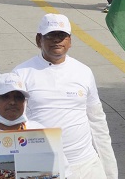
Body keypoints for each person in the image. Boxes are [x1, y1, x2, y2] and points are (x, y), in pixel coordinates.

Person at [13, 14, 118, 178]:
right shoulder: (21, 74)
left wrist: (109, 170)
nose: (57, 40)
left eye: (62, 35)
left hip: (86, 165)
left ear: (70, 41)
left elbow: (97, 121)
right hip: (43, 167)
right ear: (38, 39)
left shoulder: (84, 72)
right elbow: (13, 123)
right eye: (51, 35)